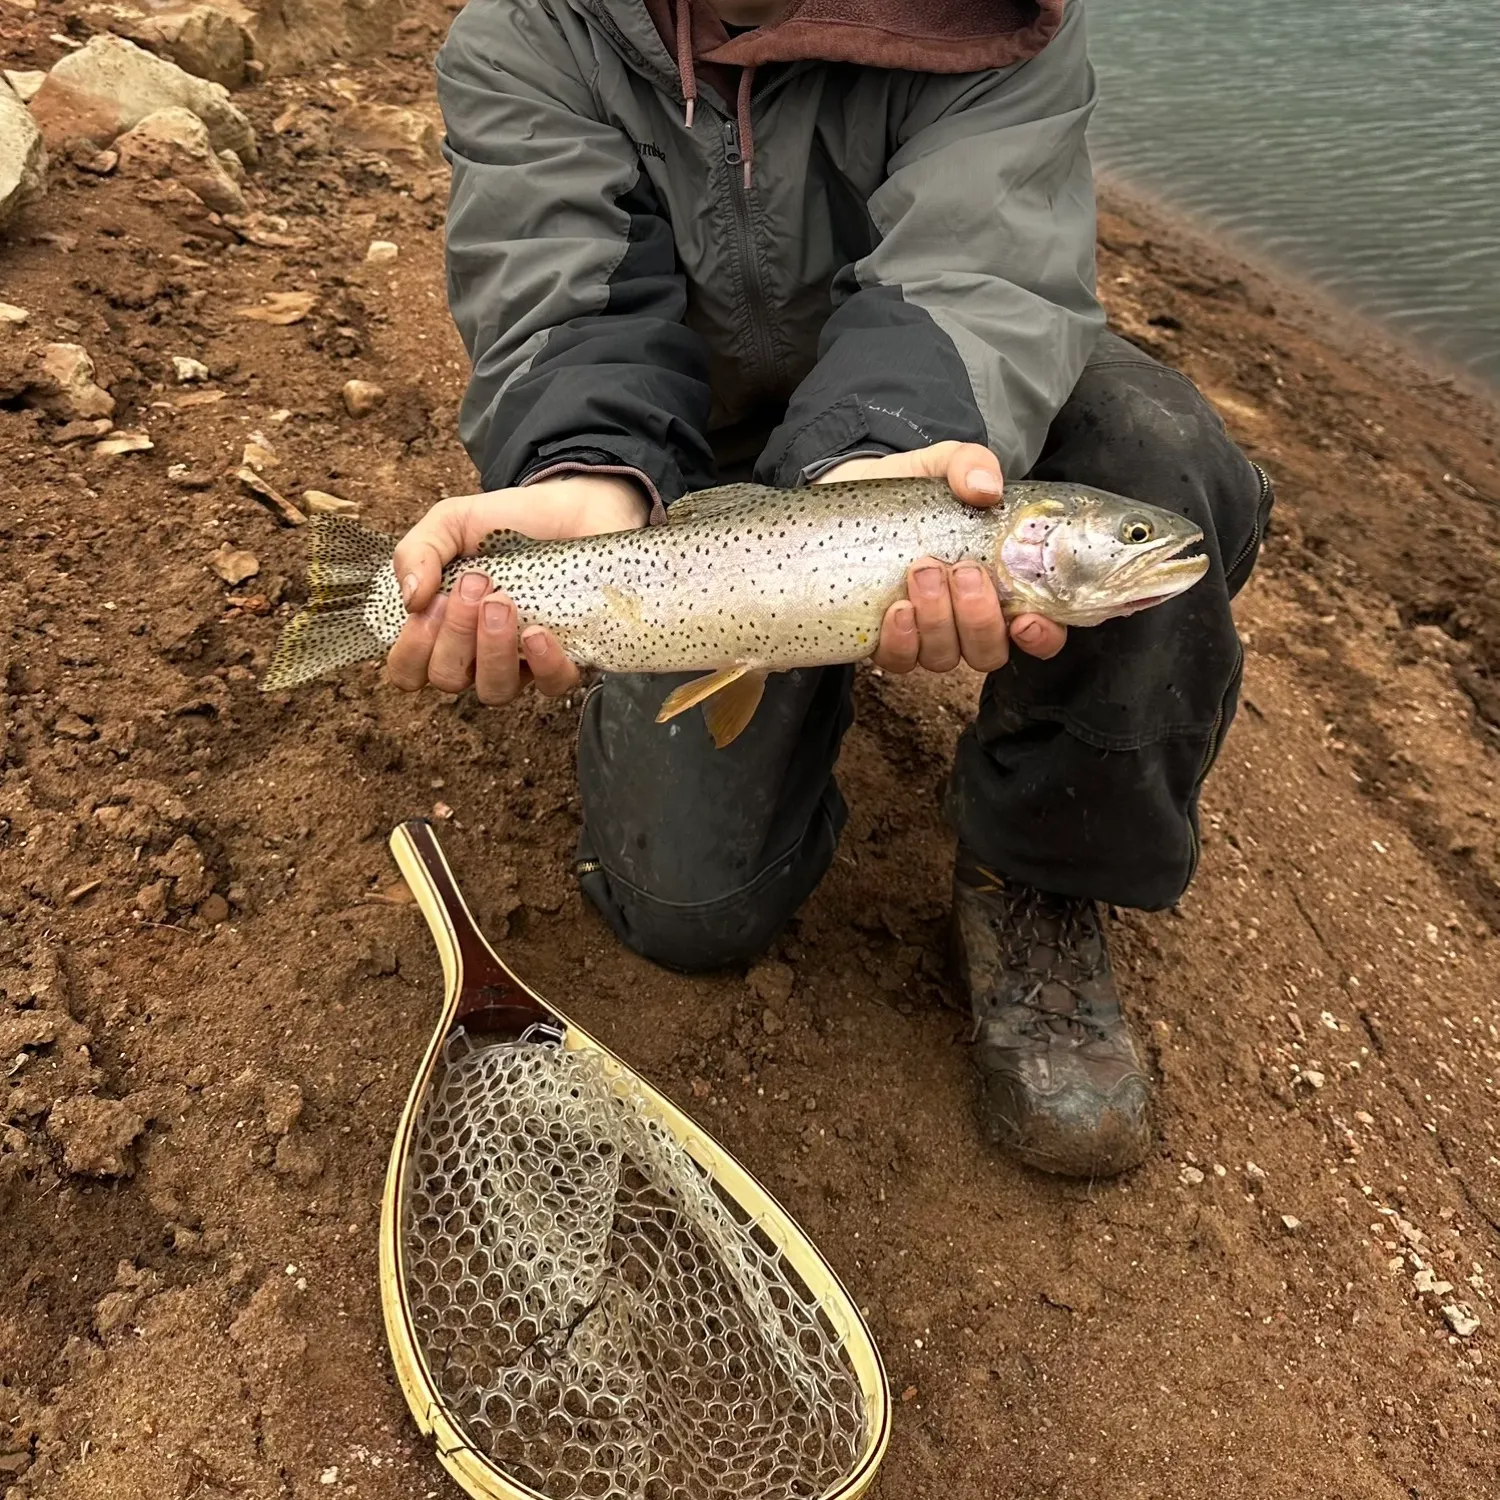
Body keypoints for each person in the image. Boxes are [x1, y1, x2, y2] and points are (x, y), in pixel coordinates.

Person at [386, 0, 1273, 1177]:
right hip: (683, 451)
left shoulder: (1004, 21)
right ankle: (686, 662)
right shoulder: (528, 37)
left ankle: (1048, 867)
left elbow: (983, 272)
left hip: (937, 416)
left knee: (1168, 460)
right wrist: (588, 479)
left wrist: (884, 451)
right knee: (687, 911)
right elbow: (562, 308)